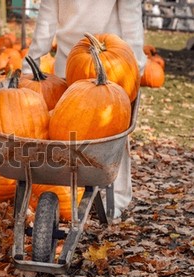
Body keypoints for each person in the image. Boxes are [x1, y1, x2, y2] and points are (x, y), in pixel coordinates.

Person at [22, 0, 147, 219]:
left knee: (112, 131)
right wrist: (31, 62)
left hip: (112, 63)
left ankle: (116, 196)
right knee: (73, 129)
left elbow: (130, 15)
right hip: (74, 61)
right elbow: (47, 17)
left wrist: (134, 63)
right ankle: (73, 192)